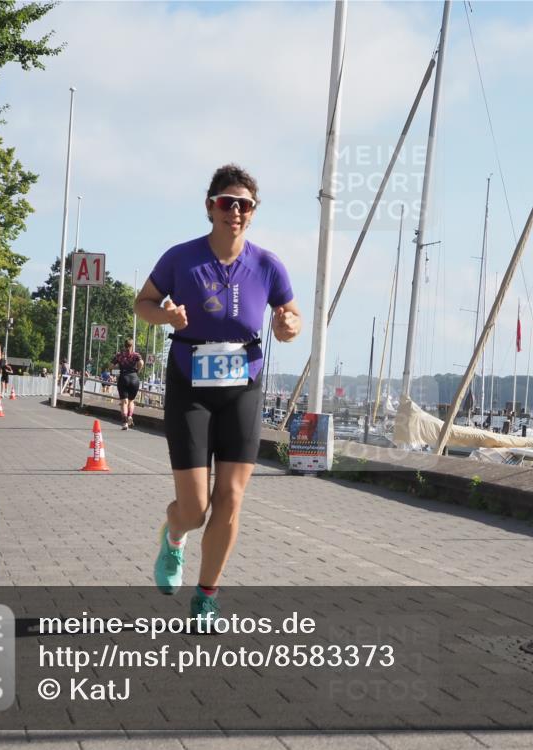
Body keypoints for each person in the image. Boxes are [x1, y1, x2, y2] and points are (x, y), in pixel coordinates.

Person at [134, 164, 301, 628]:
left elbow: (290, 317)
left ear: (253, 212)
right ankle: (174, 536)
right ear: (210, 206)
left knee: (230, 497)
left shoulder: (267, 265)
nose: (236, 212)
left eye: (245, 205)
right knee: (195, 507)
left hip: (242, 387)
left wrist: (288, 326)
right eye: (228, 203)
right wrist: (166, 317)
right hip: (190, 385)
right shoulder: (181, 258)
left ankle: (207, 595)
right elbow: (142, 303)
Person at [111, 339, 144, 430]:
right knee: (131, 401)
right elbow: (141, 363)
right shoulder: (136, 355)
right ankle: (130, 415)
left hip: (123, 378)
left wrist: (116, 372)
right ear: (132, 346)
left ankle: (125, 422)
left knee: (124, 402)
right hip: (134, 378)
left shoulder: (119, 355)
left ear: (124, 346)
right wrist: (138, 370)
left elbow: (111, 366)